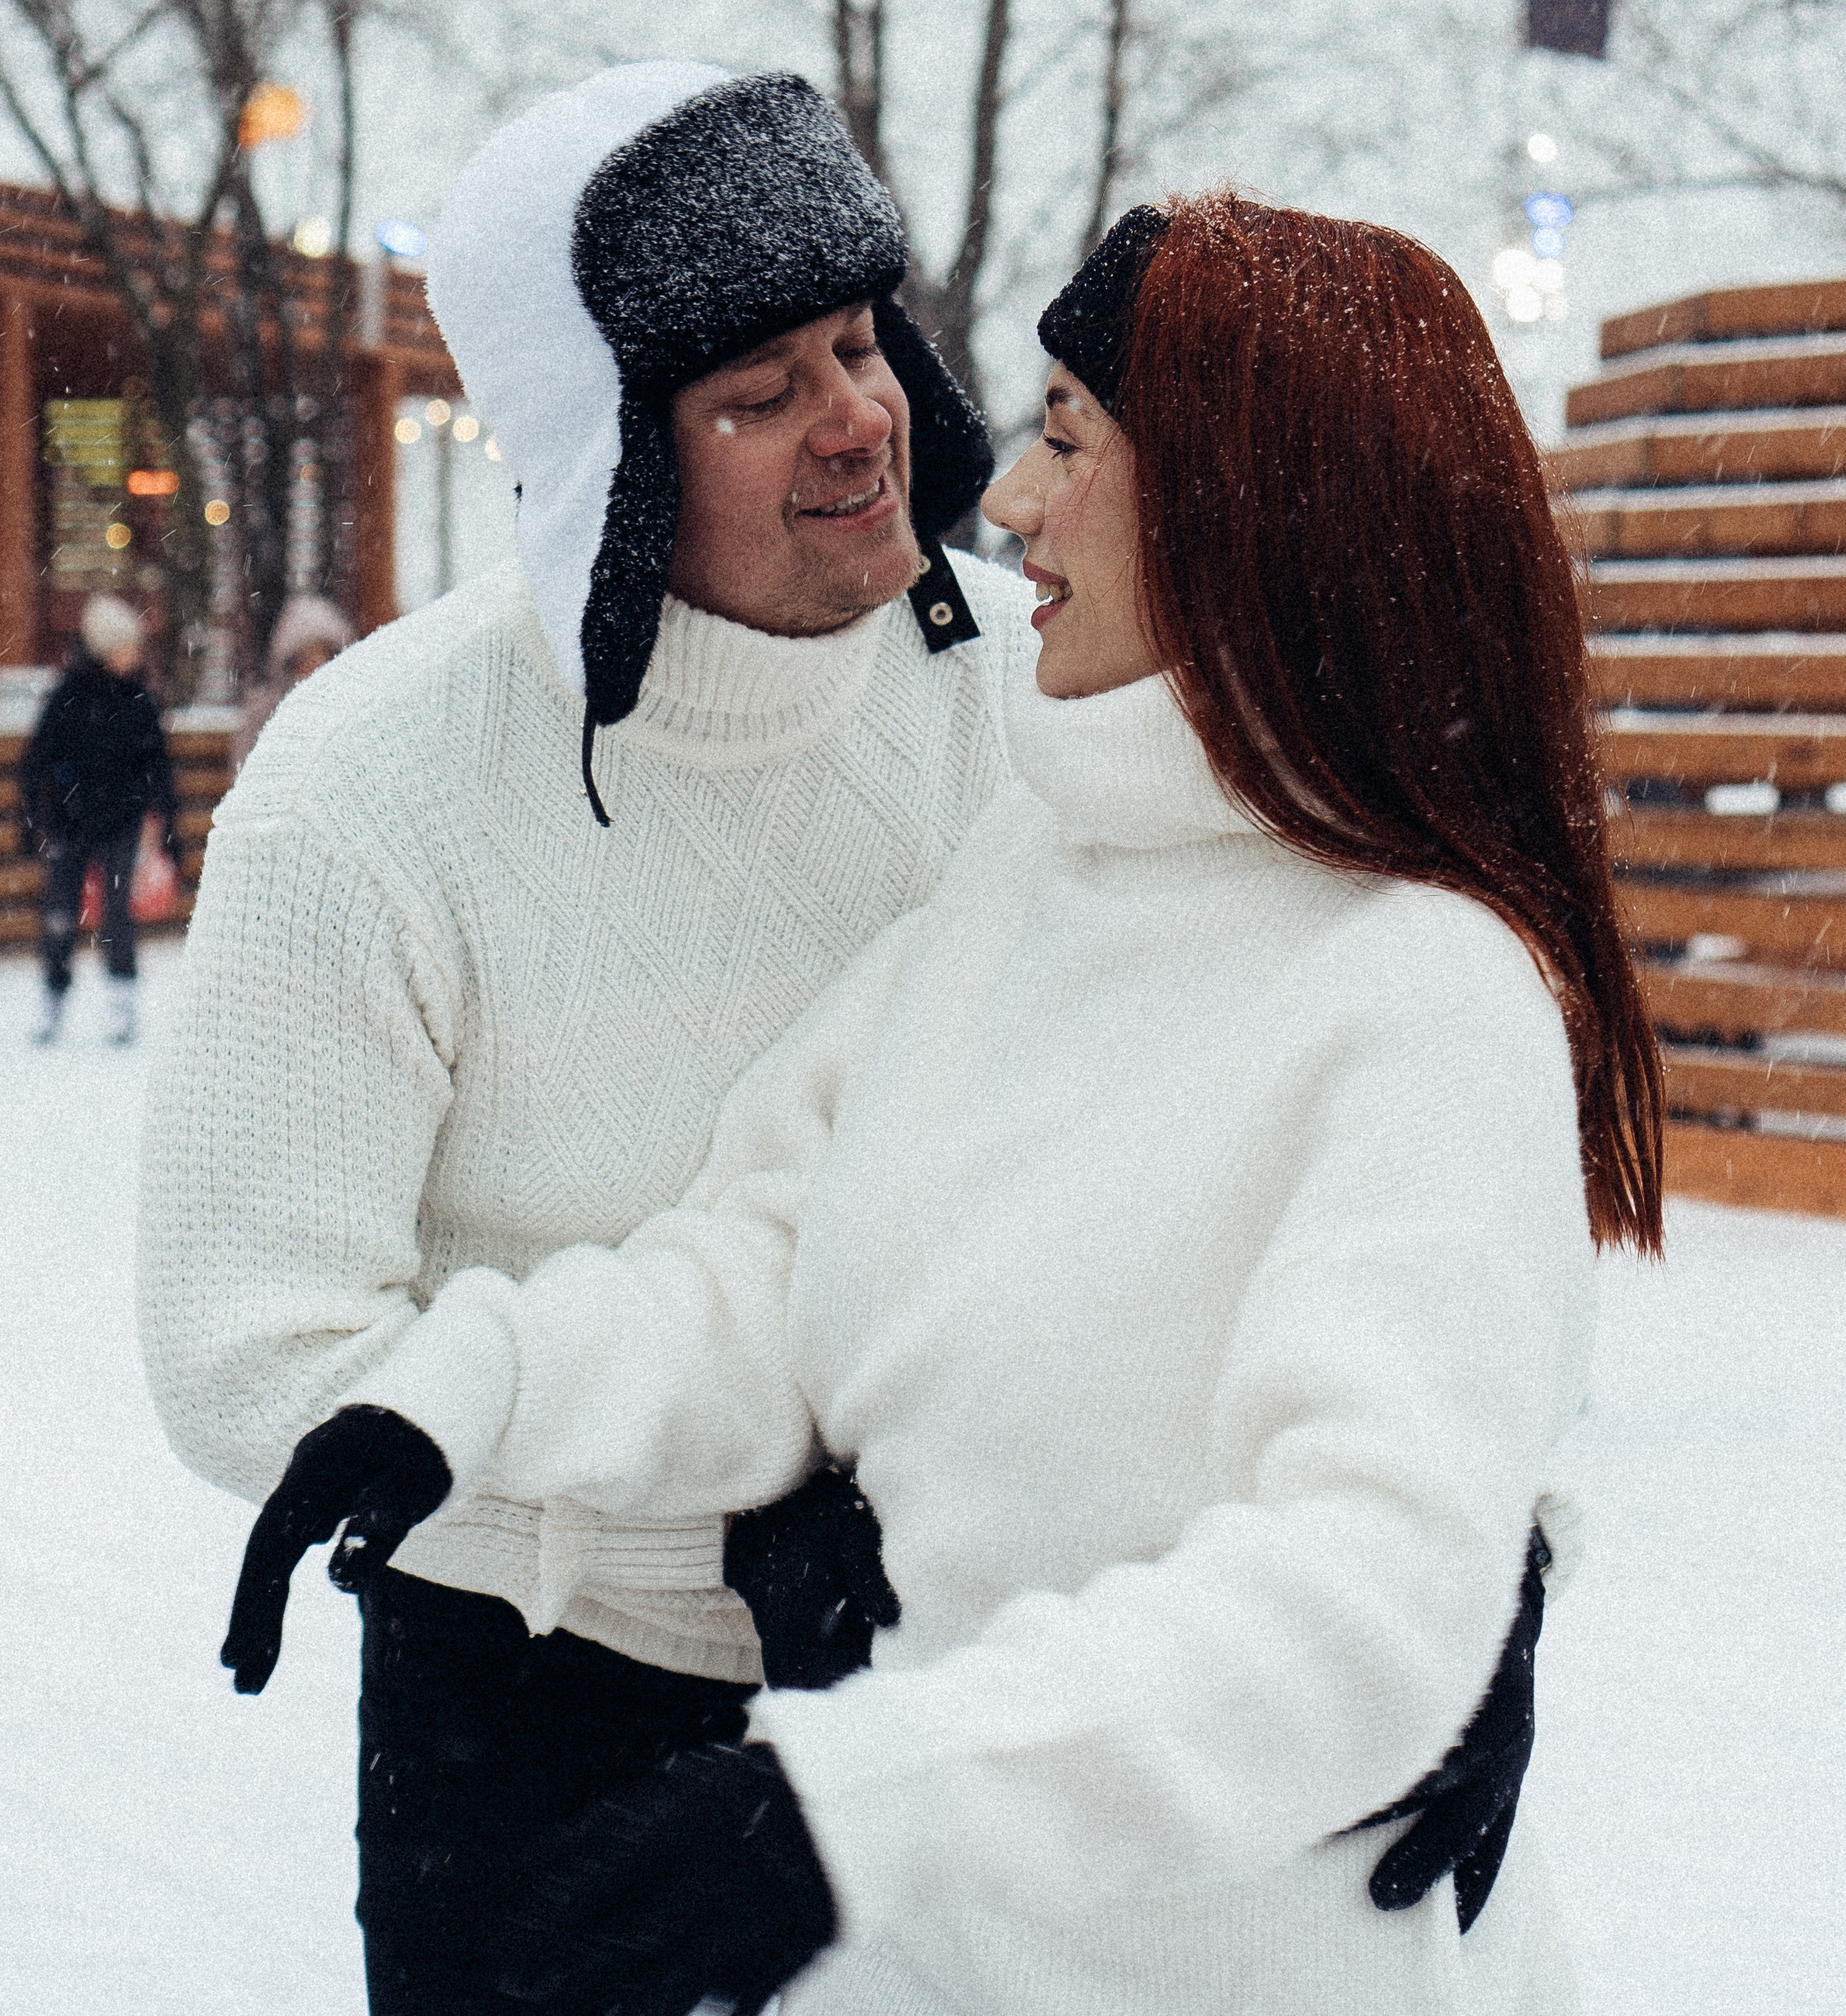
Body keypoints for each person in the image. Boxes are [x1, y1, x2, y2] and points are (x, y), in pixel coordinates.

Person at [240, 193, 1663, 2016]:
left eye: (1069, 436)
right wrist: (466, 1394)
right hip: (931, 1960)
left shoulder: (1416, 991)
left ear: (1241, 508)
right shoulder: (1035, 869)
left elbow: (1364, 1583)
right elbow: (776, 1256)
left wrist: (866, 1807)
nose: (1005, 498)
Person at [136, 61, 1034, 2016]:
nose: (856, 416)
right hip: (536, 1719)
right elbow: (251, 1358)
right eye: (757, 393)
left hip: (963, 1667)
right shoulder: (371, 789)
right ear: (606, 460)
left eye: (856, 343)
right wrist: (701, 1522)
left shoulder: (1030, 692)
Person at [23, 592, 177, 1048]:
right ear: (104, 649)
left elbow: (158, 768)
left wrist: (165, 825)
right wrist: (35, 819)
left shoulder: (139, 698)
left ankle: (122, 1001)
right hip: (70, 825)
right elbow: (37, 761)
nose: (134, 655)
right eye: (126, 647)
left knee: (117, 915)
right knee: (60, 915)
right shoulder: (67, 697)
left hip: (120, 824)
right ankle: (52, 998)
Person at [229, 593, 355, 777]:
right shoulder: (265, 713)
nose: (315, 667)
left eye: (323, 656)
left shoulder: (348, 712)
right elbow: (246, 771)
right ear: (291, 662)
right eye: (307, 659)